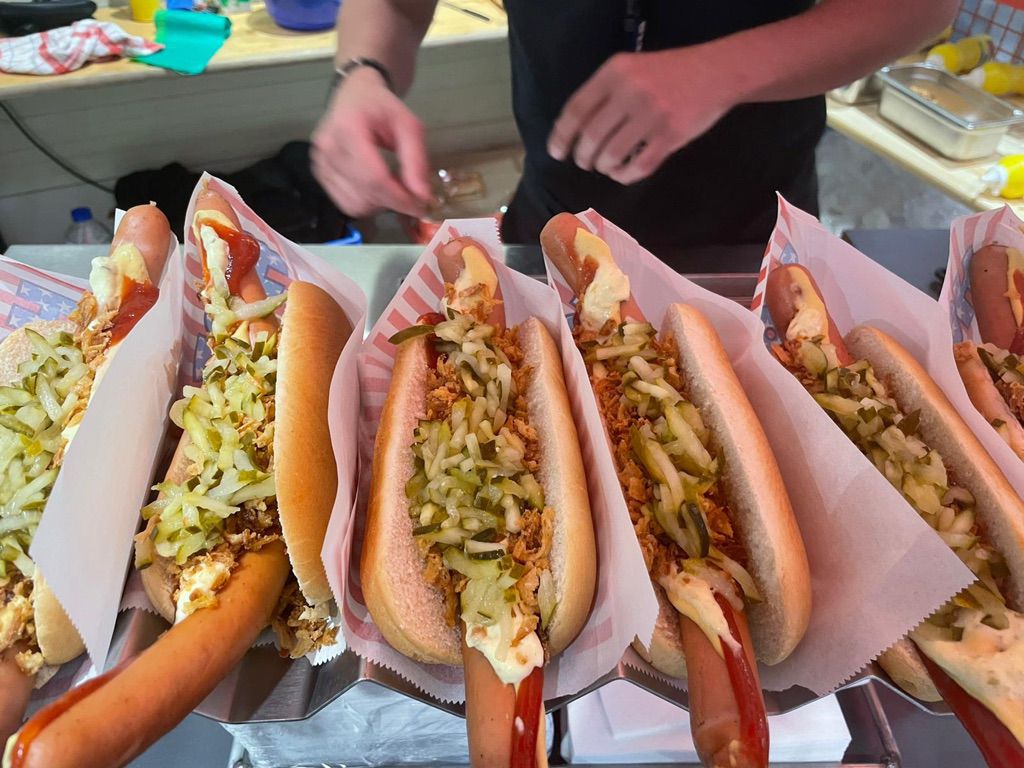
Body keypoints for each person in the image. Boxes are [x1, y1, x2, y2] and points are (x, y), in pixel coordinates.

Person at [312, 0, 957, 250]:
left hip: (753, 233)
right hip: (551, 222)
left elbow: (919, 8)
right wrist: (363, 73)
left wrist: (722, 70)